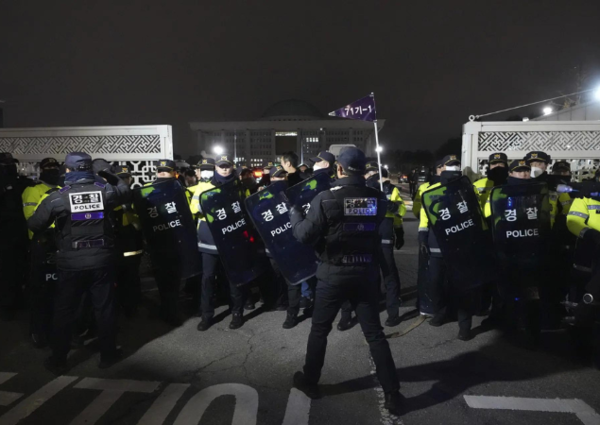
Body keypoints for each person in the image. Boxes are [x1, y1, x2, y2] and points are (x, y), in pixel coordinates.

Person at [289, 147, 402, 414]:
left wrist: (294, 216)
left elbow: (304, 235)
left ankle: (310, 381)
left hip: (333, 274)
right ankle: (393, 393)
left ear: (338, 169)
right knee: (374, 334)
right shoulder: (377, 198)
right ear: (364, 170)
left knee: (319, 330)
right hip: (365, 273)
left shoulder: (326, 198)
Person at [28, 152, 130, 374]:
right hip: (102, 260)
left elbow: (35, 224)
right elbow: (124, 191)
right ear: (89, 169)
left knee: (64, 310)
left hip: (70, 263)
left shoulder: (57, 198)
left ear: (68, 170)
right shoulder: (106, 191)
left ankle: (58, 359)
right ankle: (108, 355)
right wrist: (108, 174)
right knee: (104, 309)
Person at [420, 155, 477, 340]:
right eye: (449, 167)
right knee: (436, 282)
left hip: (462, 245)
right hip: (437, 244)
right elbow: (425, 215)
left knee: (462, 286)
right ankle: (441, 313)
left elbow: (475, 214)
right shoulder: (432, 190)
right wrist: (422, 236)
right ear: (442, 169)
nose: (453, 170)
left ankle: (464, 325)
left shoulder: (468, 189)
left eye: (456, 167)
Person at [191, 154, 247, 331]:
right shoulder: (204, 187)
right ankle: (206, 315)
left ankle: (237, 313)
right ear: (215, 168)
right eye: (221, 166)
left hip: (232, 240)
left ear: (232, 167)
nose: (224, 169)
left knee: (234, 279)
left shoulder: (239, 187)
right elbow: (194, 209)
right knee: (207, 279)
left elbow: (245, 210)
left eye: (227, 166)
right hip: (209, 241)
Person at [22, 158, 61, 346]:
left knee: (61, 290)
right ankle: (39, 331)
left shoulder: (63, 189)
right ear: (42, 171)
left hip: (61, 243)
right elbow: (31, 219)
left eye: (55, 167)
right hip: (42, 243)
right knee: (40, 290)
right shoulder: (33, 190)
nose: (52, 170)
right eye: (48, 168)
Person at [145, 159, 185, 326]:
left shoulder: (179, 190)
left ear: (174, 173)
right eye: (160, 171)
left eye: (166, 171)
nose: (162, 174)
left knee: (173, 279)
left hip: (175, 241)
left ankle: (171, 311)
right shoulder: (147, 190)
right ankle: (166, 308)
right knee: (162, 279)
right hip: (157, 243)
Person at [0, 152, 34, 321]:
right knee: (8, 273)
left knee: (20, 270)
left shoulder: (22, 183)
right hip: (7, 238)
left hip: (21, 235)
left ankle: (17, 302)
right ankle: (10, 304)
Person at [113, 165, 143, 317]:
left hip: (133, 244)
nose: (124, 180)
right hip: (116, 245)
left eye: (126, 177)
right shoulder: (110, 195)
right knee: (117, 278)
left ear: (130, 178)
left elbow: (142, 220)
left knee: (132, 277)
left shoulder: (136, 195)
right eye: (120, 178)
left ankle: (132, 306)